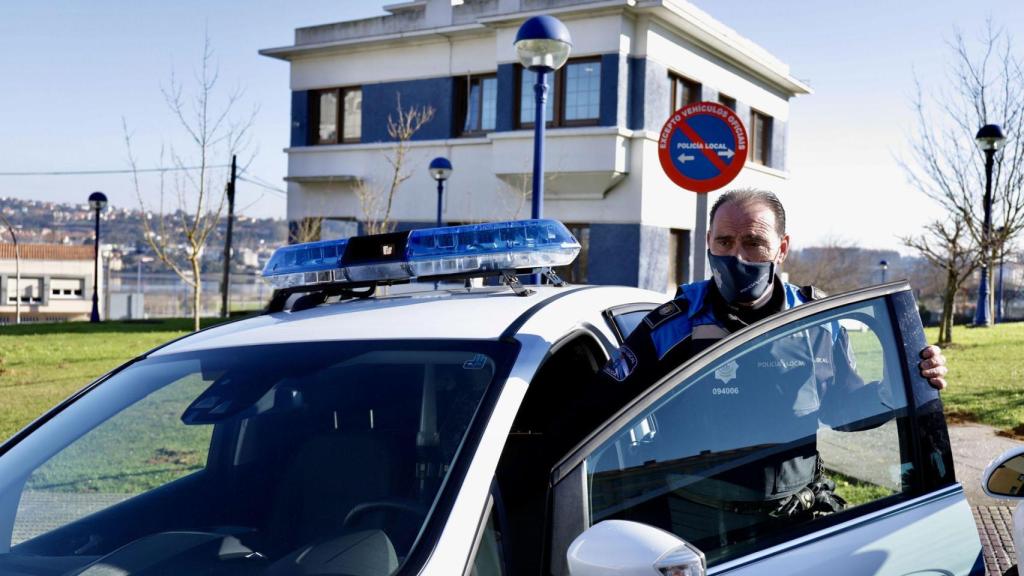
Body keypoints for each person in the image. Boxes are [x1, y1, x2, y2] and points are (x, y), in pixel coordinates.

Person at [581, 188, 948, 531]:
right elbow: (596, 409)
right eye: (724, 241)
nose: (737, 256)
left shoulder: (817, 322)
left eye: (754, 242)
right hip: (696, 522)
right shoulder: (671, 327)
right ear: (708, 242)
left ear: (781, 248)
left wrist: (904, 379)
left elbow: (843, 408)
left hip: (793, 520)